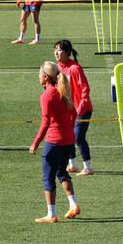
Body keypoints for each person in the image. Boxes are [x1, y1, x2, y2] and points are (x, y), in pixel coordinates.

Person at [29, 61, 80, 223]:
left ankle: (51, 214)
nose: (38, 76)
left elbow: (45, 122)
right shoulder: (62, 91)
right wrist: (69, 130)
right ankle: (73, 205)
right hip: (68, 140)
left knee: (48, 177)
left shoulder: (47, 95)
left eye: (39, 74)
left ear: (46, 76)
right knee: (61, 172)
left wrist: (35, 143)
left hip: (55, 141)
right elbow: (74, 112)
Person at [54, 40, 95, 176]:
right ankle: (72, 165)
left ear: (68, 53)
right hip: (68, 110)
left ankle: (88, 167)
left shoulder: (75, 68)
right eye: (55, 49)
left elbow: (85, 89)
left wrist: (80, 108)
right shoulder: (58, 68)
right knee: (68, 136)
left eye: (60, 50)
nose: (56, 52)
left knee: (78, 137)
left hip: (82, 110)